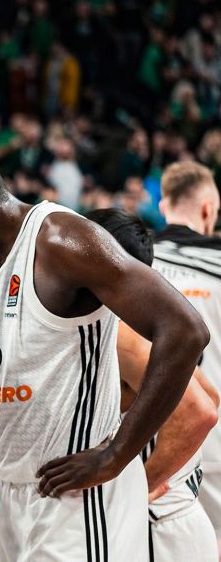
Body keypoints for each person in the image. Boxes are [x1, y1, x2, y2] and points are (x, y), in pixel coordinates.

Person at [0, 129, 210, 561]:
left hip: (78, 502)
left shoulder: (60, 239)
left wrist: (118, 453)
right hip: (13, 497)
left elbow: (185, 330)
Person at [87, 207, 219, 561]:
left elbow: (202, 410)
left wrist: (137, 489)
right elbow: (208, 394)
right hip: (175, 518)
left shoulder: (123, 328)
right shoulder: (144, 322)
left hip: (158, 525)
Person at [151, 161, 221, 541]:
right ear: (209, 208)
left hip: (153, 444)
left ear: (163, 206)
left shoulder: (131, 264)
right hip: (215, 440)